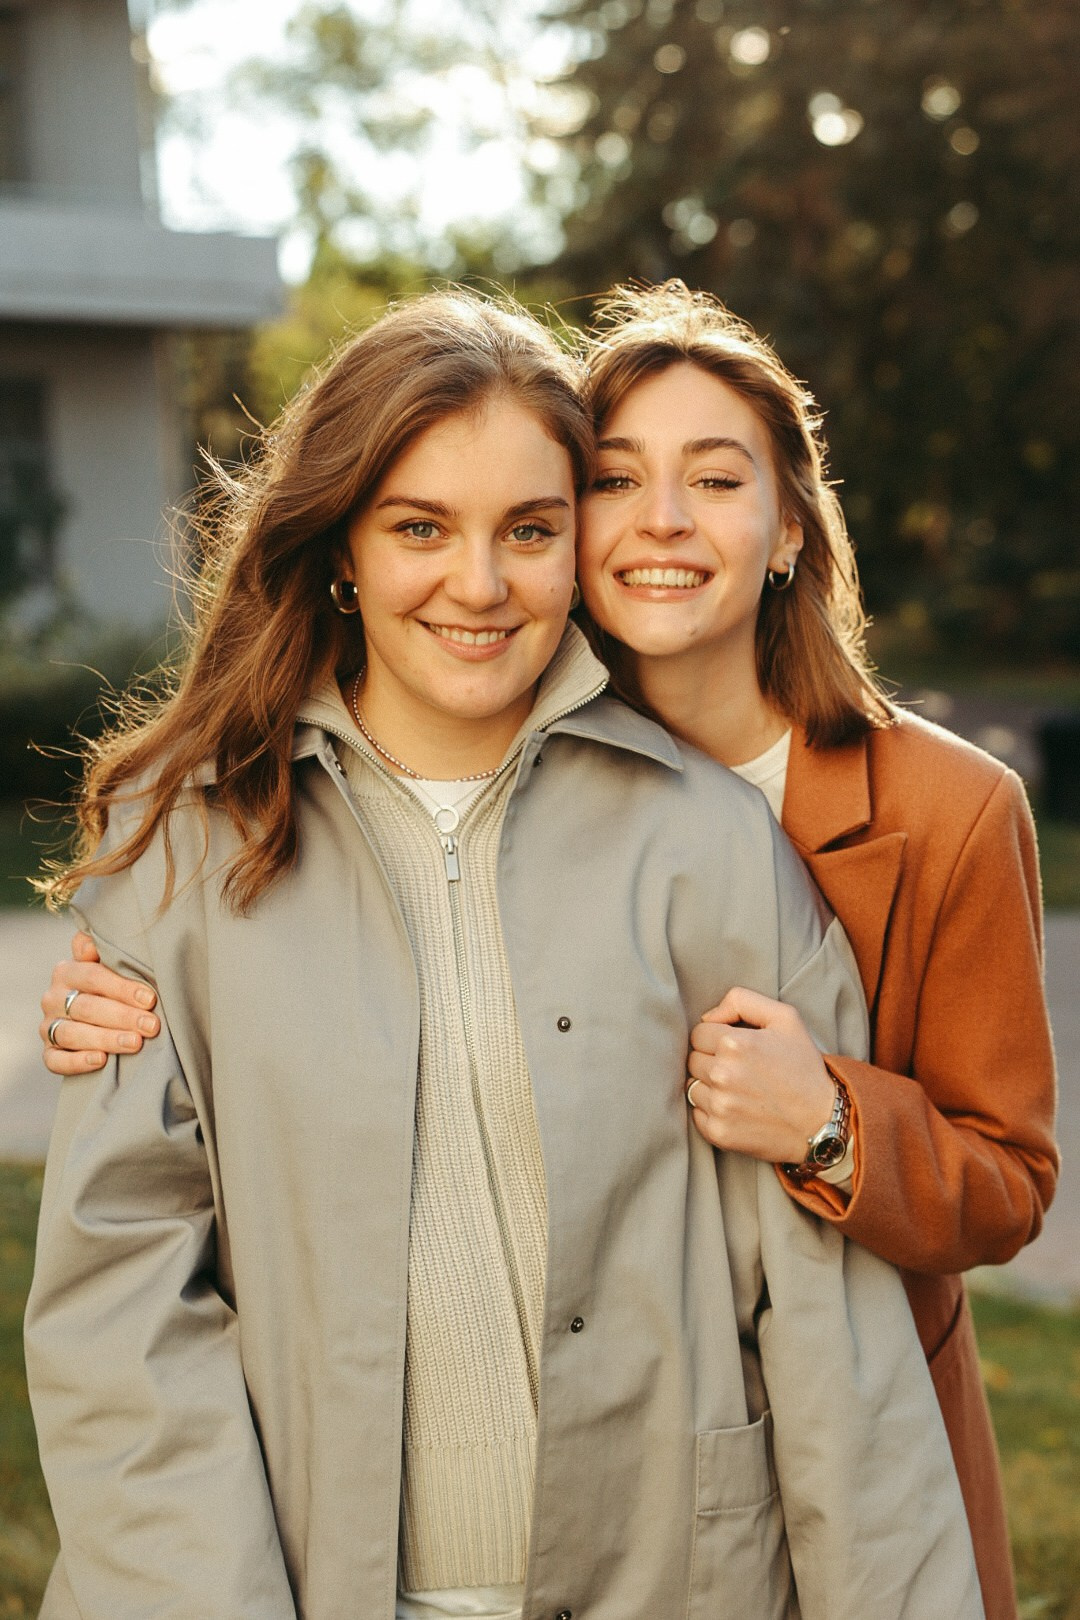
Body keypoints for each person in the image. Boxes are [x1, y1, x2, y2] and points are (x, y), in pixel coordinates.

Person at [25, 289, 982, 1620]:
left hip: (675, 1580)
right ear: (342, 548)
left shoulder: (711, 846)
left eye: (529, 531)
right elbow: (122, 1317)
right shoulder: (185, 856)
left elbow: (832, 1324)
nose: (479, 587)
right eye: (421, 527)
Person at [573, 281, 1059, 1620]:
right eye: (617, 479)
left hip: (862, 1446)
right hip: (592, 1458)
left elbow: (1009, 1181)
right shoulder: (506, 795)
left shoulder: (951, 810)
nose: (663, 519)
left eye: (715, 478)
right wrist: (125, 1000)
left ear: (788, 526)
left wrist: (831, 1123)